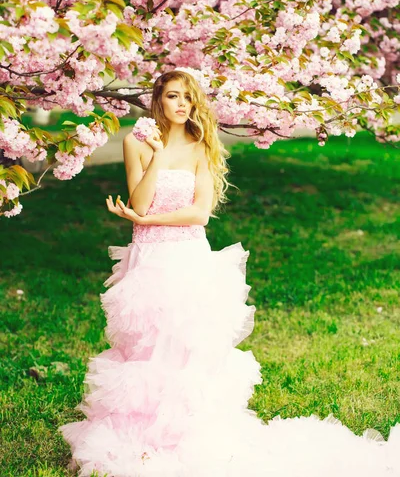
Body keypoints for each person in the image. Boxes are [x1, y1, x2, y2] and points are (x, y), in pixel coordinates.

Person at [60, 70, 398, 477]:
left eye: (187, 96)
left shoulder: (201, 145)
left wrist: (148, 218)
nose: (181, 104)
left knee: (186, 350)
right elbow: (140, 200)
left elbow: (198, 214)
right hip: (147, 261)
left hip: (187, 257)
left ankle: (185, 437)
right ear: (158, 101)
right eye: (172, 96)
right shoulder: (137, 141)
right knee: (145, 349)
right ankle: (144, 437)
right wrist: (158, 159)